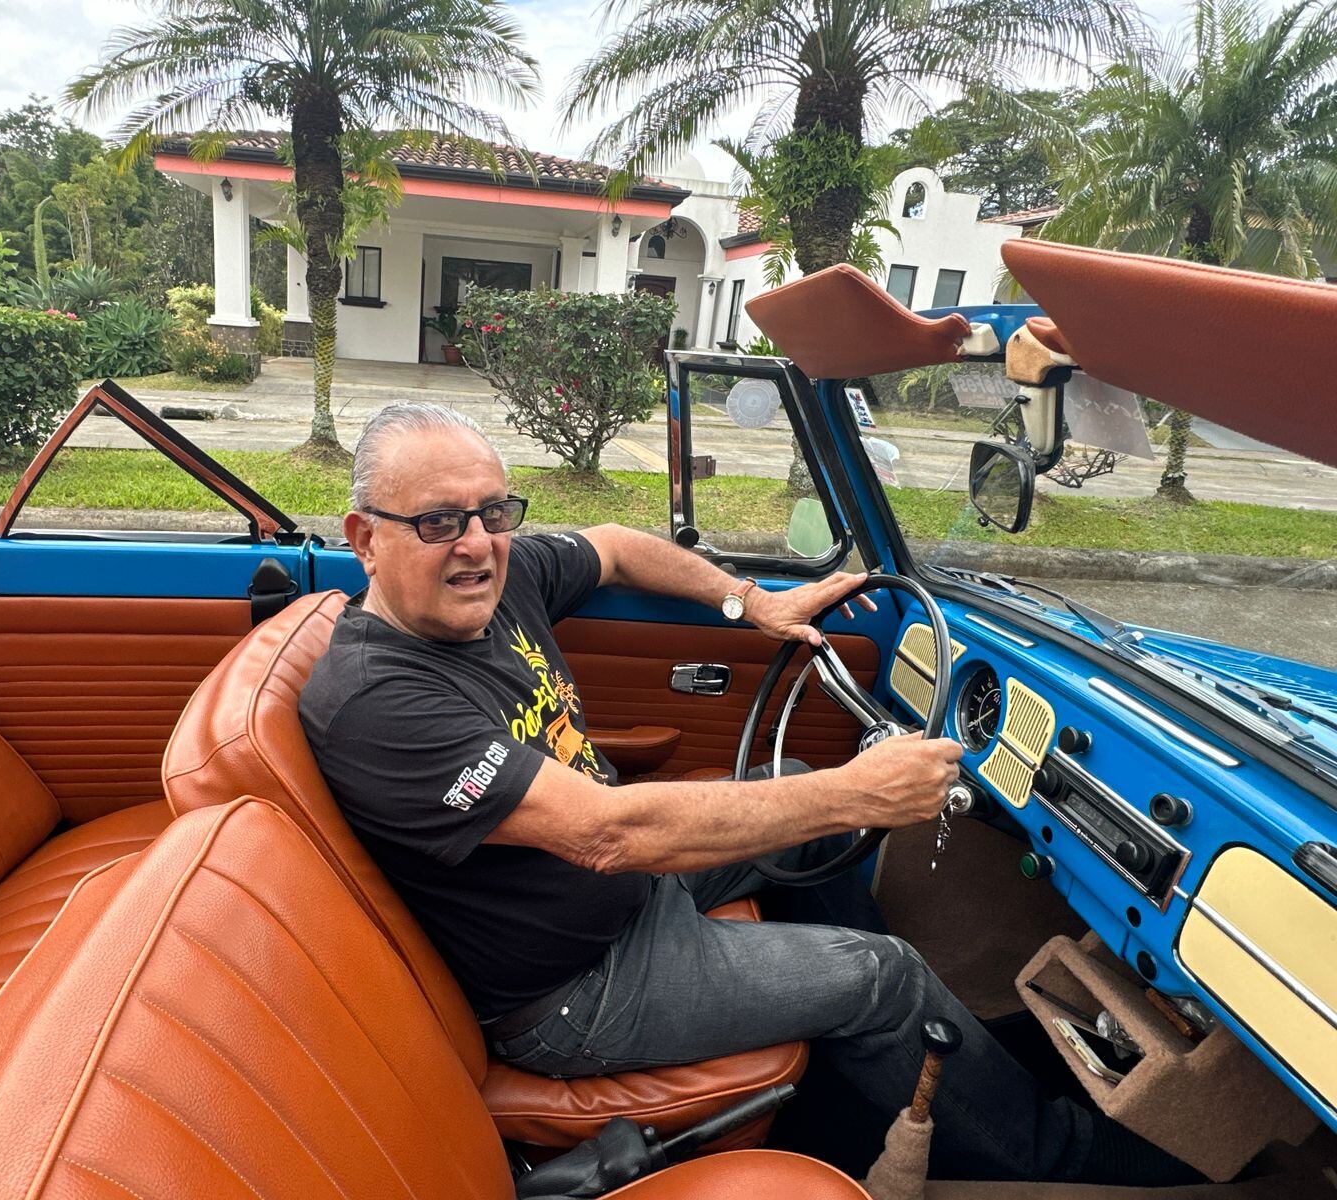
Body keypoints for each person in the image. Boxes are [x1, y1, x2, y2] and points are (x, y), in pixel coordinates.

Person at [300, 402, 1197, 1185]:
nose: (478, 544)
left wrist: (750, 602)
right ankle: (1056, 1149)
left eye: (494, 511)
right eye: (438, 523)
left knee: (798, 798)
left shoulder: (498, 579)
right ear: (364, 539)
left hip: (619, 899)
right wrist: (861, 795)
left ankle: (897, 1039)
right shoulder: (378, 701)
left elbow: (611, 550)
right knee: (879, 971)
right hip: (573, 988)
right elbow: (607, 835)